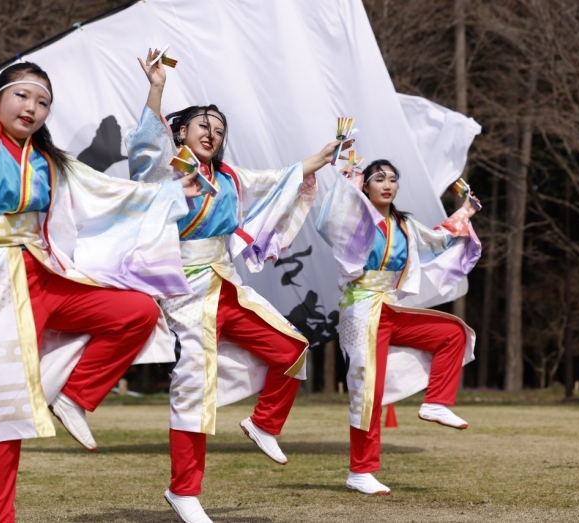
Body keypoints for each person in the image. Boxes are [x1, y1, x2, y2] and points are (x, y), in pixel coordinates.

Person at [0, 7, 203, 522]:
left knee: (135, 312)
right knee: (2, 412)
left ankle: (76, 397)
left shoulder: (51, 162)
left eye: (43, 102)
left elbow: (117, 193)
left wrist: (170, 188)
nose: (33, 107)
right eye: (22, 95)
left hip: (47, 273)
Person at [127, 48, 344, 523]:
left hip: (225, 282)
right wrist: (157, 88)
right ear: (180, 132)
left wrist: (320, 159)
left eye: (220, 129)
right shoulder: (169, 170)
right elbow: (143, 154)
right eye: (203, 125)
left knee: (293, 348)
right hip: (182, 291)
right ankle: (184, 491)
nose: (212, 133)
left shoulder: (229, 179)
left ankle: (264, 422)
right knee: (192, 390)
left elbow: (278, 179)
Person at [316, 159, 482, 495]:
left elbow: (438, 240)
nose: (388, 184)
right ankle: (360, 471)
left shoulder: (404, 223)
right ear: (366, 186)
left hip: (389, 305)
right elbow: (328, 222)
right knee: (368, 392)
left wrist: (466, 211)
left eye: (393, 179)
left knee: (453, 334)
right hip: (361, 309)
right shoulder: (356, 218)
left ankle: (435, 402)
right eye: (379, 179)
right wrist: (347, 177)